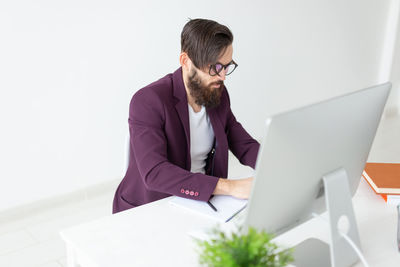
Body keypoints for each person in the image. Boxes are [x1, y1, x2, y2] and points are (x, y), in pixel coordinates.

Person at [113, 18, 260, 213]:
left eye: (227, 66)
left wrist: (276, 167)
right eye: (215, 67)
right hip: (151, 207)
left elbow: (243, 144)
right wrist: (231, 187)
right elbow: (156, 173)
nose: (223, 76)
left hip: (201, 202)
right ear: (185, 61)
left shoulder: (218, 93)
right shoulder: (148, 101)